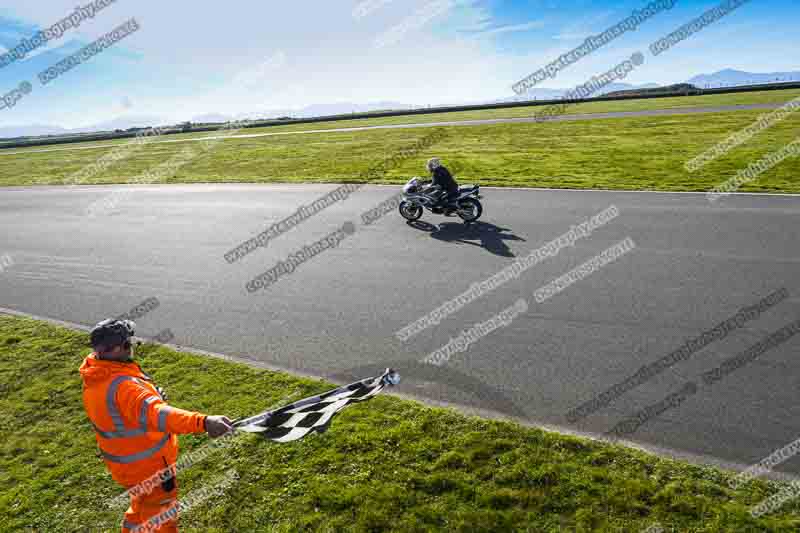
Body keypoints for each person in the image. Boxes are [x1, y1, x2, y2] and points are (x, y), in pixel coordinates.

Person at [79, 318, 233, 532]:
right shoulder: (124, 387)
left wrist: (151, 396)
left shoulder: (96, 375)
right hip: (150, 469)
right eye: (128, 343)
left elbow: (127, 411)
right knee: (162, 518)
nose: (131, 346)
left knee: (140, 507)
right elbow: (158, 415)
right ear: (117, 348)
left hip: (127, 468)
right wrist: (204, 422)